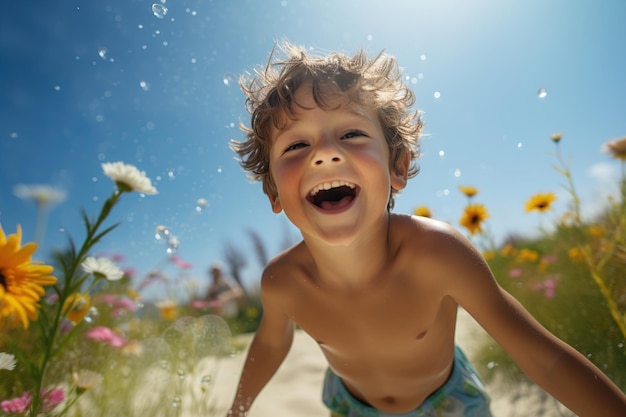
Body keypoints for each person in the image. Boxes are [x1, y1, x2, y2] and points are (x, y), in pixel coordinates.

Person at [225, 41, 626, 417]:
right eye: (296, 146)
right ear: (274, 193)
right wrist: (236, 411)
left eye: (351, 134)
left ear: (397, 166)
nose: (326, 153)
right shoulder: (283, 282)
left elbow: (544, 358)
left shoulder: (438, 253)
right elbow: (272, 342)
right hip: (350, 406)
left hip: (447, 403)